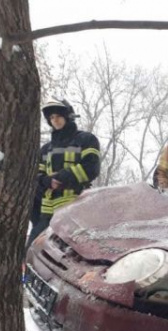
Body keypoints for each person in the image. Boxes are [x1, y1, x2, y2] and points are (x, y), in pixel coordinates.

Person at [27, 98, 101, 246]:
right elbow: (36, 177)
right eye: (51, 117)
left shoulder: (86, 140)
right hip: (48, 215)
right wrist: (46, 181)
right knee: (33, 251)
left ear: (68, 116)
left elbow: (91, 168)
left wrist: (61, 177)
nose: (55, 120)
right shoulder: (46, 149)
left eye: (58, 116)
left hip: (77, 211)